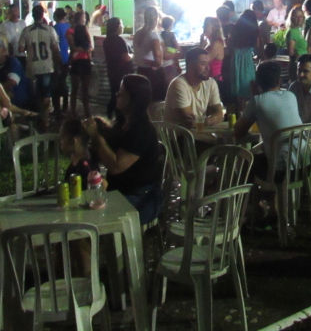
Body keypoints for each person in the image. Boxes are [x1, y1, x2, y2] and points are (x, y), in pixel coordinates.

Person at [86, 75, 162, 224]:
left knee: (92, 218)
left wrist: (96, 136)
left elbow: (115, 166)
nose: (117, 94)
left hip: (141, 198)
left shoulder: (143, 129)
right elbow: (105, 154)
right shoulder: (122, 122)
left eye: (122, 92)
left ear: (133, 98)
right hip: (119, 192)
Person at [234, 60, 303, 180]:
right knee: (261, 154)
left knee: (245, 161)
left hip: (279, 171)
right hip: (303, 165)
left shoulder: (257, 101)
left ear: (256, 83)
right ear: (280, 82)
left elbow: (238, 133)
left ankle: (247, 197)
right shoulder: (291, 96)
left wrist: (253, 96)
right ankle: (270, 197)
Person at [18, 4, 62, 131]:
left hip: (32, 67)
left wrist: (29, 47)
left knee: (36, 94)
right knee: (46, 94)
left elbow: (20, 49)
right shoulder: (50, 30)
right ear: (43, 15)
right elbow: (55, 49)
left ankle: (37, 120)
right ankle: (46, 120)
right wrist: (58, 65)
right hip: (47, 66)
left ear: (32, 15)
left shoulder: (26, 30)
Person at [164, 48, 224, 130]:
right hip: (180, 137)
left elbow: (219, 114)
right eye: (203, 64)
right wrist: (212, 119)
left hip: (199, 132)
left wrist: (204, 122)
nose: (208, 68)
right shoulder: (179, 84)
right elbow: (189, 122)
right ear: (190, 65)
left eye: (208, 64)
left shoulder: (211, 83)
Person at [0, 36, 32, 110]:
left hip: (21, 101)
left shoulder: (13, 62)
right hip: (4, 103)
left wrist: (0, 90)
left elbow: (12, 81)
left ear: (4, 50)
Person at [132, 6, 166, 101]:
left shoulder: (138, 33)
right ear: (155, 18)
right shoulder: (153, 35)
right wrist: (153, 63)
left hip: (140, 71)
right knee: (156, 103)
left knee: (143, 101)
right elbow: (158, 58)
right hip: (153, 74)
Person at [103, 17, 132, 118]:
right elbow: (126, 57)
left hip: (112, 71)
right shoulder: (119, 40)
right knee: (120, 94)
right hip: (121, 72)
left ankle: (111, 114)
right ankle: (117, 115)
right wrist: (134, 55)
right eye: (122, 25)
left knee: (114, 93)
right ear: (118, 27)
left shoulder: (107, 40)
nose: (123, 27)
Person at [66, 10, 94, 117]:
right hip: (76, 60)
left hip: (85, 59)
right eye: (83, 17)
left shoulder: (84, 29)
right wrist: (84, 49)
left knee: (85, 88)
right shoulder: (70, 31)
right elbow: (73, 47)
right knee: (75, 87)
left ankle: (86, 110)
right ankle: (73, 110)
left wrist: (87, 50)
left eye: (85, 18)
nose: (84, 19)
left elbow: (91, 47)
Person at [229, 10, 259, 104]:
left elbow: (229, 48)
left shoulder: (234, 31)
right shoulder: (254, 33)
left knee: (238, 89)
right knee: (248, 87)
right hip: (248, 62)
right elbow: (258, 48)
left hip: (236, 61)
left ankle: (238, 111)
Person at [52, 8, 71, 113]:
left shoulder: (55, 28)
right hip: (66, 57)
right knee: (63, 81)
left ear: (55, 16)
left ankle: (57, 108)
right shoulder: (68, 27)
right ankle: (64, 105)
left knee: (56, 83)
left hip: (57, 58)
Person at [285, 7, 309, 79]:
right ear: (292, 18)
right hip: (297, 66)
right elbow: (291, 53)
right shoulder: (292, 32)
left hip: (303, 64)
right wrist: (302, 61)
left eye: (301, 16)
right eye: (296, 17)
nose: (299, 18)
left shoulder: (299, 30)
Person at [202, 16, 226, 83]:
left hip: (215, 80)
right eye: (203, 25)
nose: (203, 28)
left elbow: (202, 61)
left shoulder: (216, 44)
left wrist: (201, 45)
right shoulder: (211, 43)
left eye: (206, 25)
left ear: (214, 28)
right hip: (210, 79)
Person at [160, 15, 182, 82]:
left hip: (162, 64)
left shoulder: (160, 34)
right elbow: (177, 47)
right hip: (170, 62)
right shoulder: (171, 35)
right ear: (170, 25)